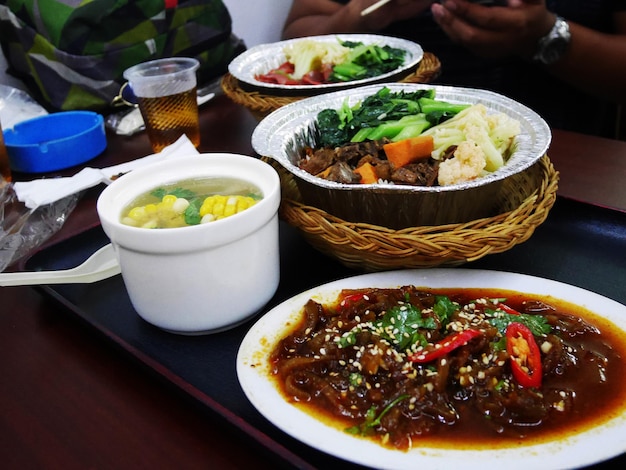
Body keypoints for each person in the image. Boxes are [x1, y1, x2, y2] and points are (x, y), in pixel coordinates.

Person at [282, 0, 626, 139]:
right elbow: (295, 36)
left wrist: (544, 38)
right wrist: (362, 14)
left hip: (573, 171)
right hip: (373, 174)